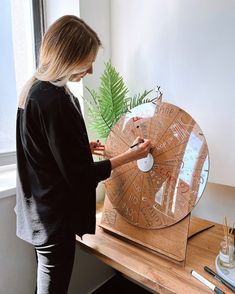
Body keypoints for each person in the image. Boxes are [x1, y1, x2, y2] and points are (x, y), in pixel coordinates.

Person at [16, 15, 152, 294]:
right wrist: (130, 155)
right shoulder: (55, 100)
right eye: (87, 61)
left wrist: (80, 148)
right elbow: (80, 177)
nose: (90, 71)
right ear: (68, 57)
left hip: (36, 214)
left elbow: (40, 150)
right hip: (54, 219)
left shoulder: (33, 90)